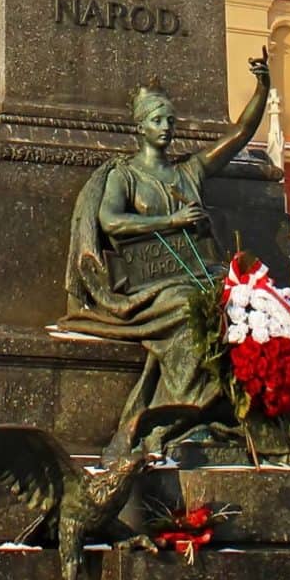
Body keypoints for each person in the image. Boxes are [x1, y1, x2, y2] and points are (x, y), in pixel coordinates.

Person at [65, 51, 270, 441]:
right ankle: (184, 415)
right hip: (146, 281)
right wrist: (170, 220)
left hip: (197, 270)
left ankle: (242, 408)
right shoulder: (125, 175)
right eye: (157, 121)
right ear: (140, 128)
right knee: (188, 304)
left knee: (250, 299)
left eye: (170, 121)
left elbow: (239, 134)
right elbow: (110, 221)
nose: (166, 128)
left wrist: (263, 87)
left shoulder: (189, 171)